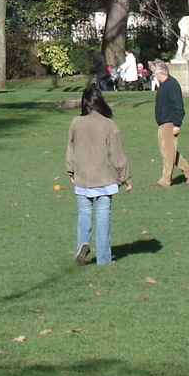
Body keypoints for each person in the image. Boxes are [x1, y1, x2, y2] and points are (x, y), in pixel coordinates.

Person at [66, 84, 132, 265]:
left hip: (82, 178)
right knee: (103, 218)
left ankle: (82, 244)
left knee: (84, 214)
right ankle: (103, 259)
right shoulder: (109, 124)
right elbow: (117, 153)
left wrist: (70, 170)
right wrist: (126, 177)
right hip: (105, 178)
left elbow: (70, 149)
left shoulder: (76, 123)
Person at [151, 60, 189, 186]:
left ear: (160, 73)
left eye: (154, 73)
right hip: (162, 122)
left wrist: (177, 124)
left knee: (168, 153)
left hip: (169, 123)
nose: (154, 75)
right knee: (168, 151)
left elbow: (179, 107)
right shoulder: (164, 85)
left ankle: (165, 180)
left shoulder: (172, 85)